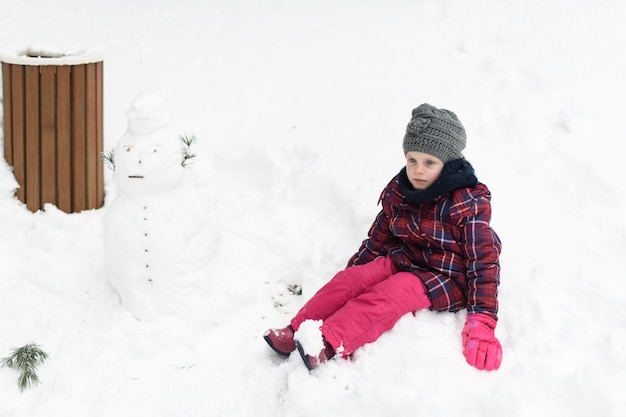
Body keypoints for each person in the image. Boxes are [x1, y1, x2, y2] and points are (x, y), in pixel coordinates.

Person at [264, 103, 503, 371]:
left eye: (429, 163)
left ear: (449, 163)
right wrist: (357, 273)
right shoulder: (401, 190)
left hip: (443, 276)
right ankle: (297, 327)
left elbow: (484, 263)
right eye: (412, 160)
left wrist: (482, 320)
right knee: (351, 279)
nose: (418, 170)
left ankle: (328, 341)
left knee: (388, 295)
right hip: (405, 258)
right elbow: (380, 234)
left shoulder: (466, 202)